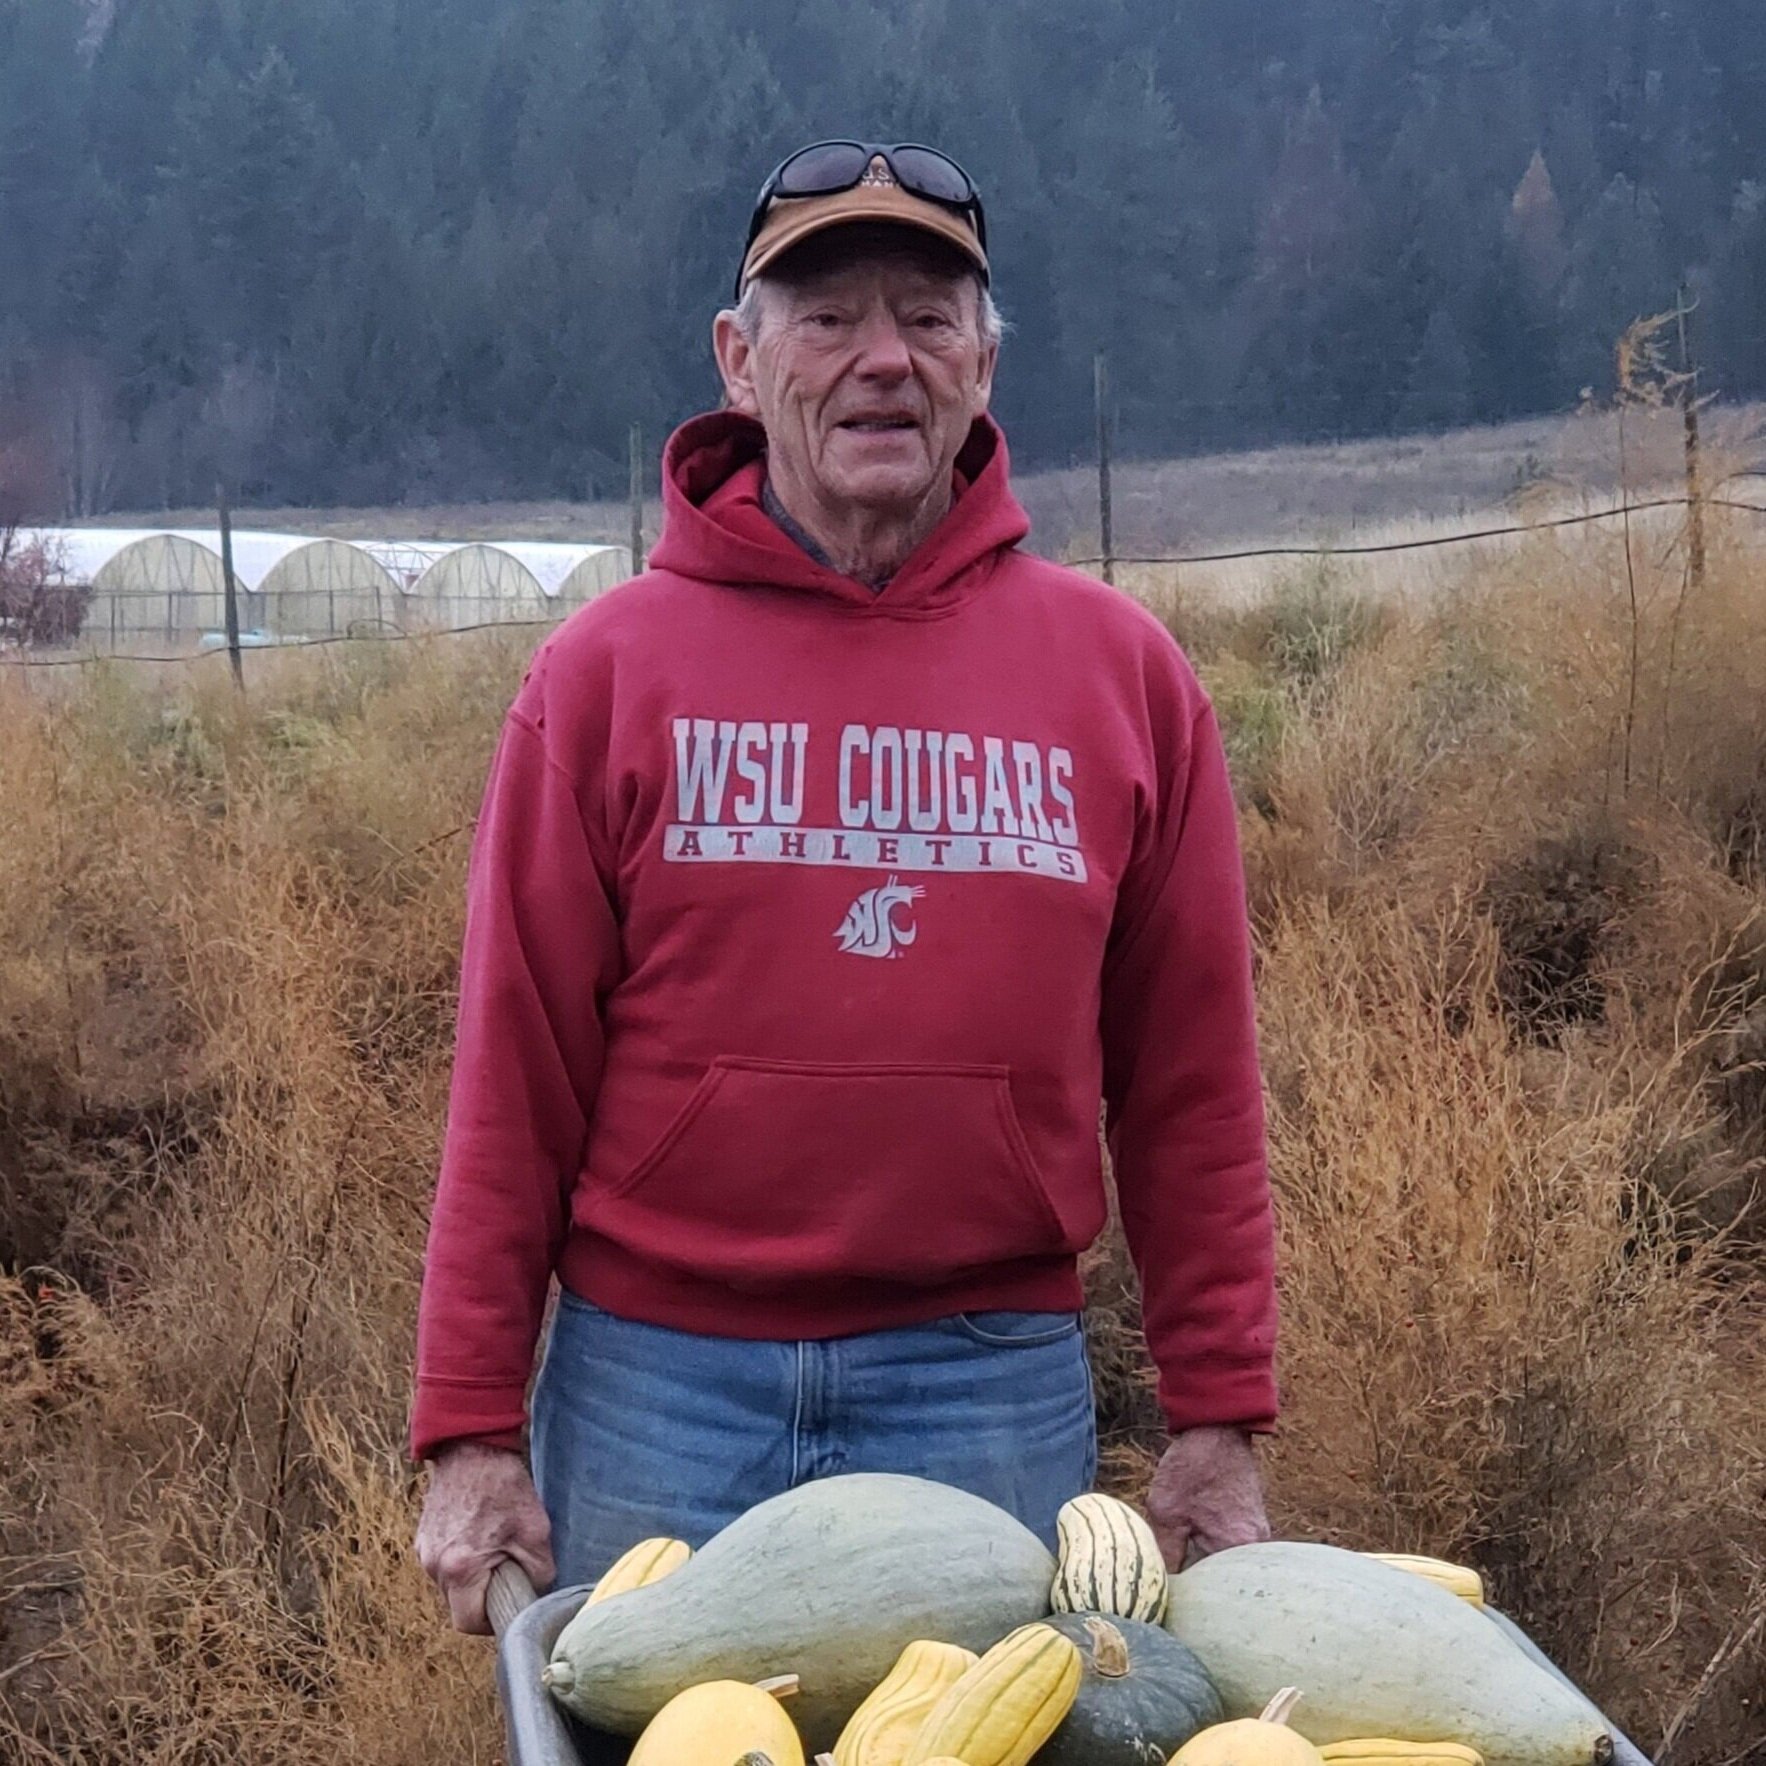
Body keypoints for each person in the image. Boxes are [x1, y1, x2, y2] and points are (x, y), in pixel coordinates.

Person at [412, 140, 1278, 1636]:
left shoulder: (1122, 680)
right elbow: (513, 1076)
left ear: (985, 365)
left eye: (928, 315)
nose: (882, 357)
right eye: (827, 316)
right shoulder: (602, 679)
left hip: (983, 1383)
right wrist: (471, 1424)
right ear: (740, 363)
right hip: (653, 1387)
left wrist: (1216, 1414)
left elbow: (1192, 1079)